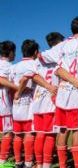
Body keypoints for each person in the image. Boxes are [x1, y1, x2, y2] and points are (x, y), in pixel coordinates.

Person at [39, 17, 78, 168]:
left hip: (62, 94)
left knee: (63, 131)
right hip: (77, 94)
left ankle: (63, 165)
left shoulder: (61, 45)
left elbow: (41, 57)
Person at [11, 39, 57, 168]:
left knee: (18, 136)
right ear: (36, 52)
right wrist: (20, 92)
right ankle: (30, 163)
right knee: (34, 134)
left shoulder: (14, 66)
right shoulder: (34, 63)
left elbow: (12, 84)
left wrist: (16, 94)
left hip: (17, 105)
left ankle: (18, 162)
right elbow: (28, 78)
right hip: (32, 103)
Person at [30, 32, 64, 168]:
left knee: (39, 134)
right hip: (51, 100)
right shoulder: (61, 55)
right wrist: (50, 87)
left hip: (37, 100)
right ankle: (46, 165)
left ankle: (39, 164)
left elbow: (32, 76)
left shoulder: (39, 58)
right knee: (50, 135)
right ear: (60, 41)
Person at [0, 41, 19, 167]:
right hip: (3, 104)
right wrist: (17, 87)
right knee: (8, 132)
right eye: (14, 52)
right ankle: (2, 161)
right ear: (11, 52)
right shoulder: (7, 66)